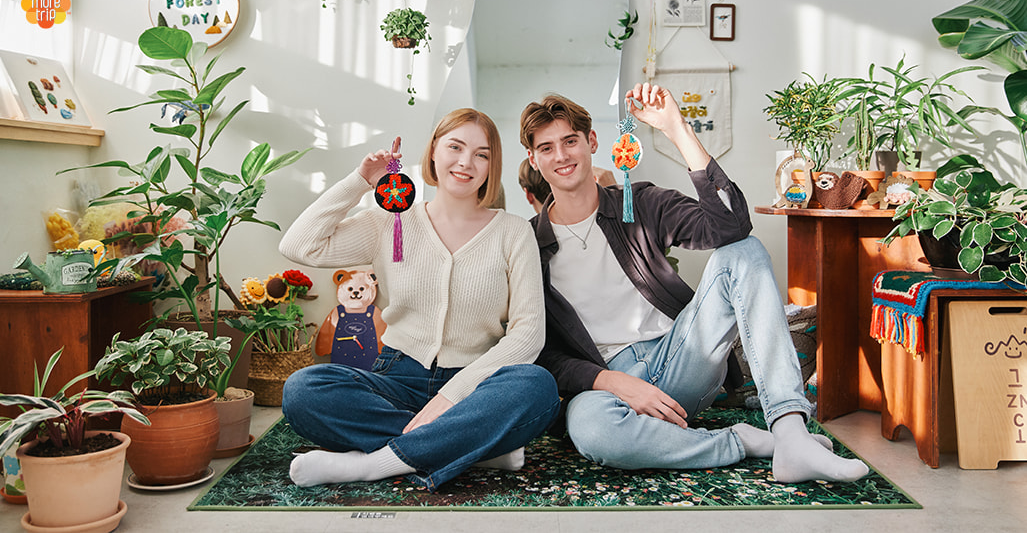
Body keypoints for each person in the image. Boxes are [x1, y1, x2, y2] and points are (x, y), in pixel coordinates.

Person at [519, 84, 869, 483]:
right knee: (592, 432)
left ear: (591, 141)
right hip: (605, 386)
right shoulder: (528, 244)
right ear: (533, 158)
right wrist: (611, 381)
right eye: (546, 148)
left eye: (570, 141)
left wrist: (677, 128)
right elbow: (540, 350)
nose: (561, 155)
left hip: (679, 360)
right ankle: (744, 442)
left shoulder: (641, 204)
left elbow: (731, 226)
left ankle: (790, 431)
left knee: (743, 251)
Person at [279, 108, 560, 492]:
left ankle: (372, 465)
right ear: (432, 152)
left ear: (492, 165)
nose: (466, 162)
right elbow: (298, 246)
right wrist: (360, 181)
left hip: (476, 386)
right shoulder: (389, 221)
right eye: (455, 147)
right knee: (302, 390)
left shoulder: (512, 232)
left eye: (481, 154)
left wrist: (450, 398)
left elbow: (528, 335)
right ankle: (478, 446)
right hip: (397, 377)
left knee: (538, 387)